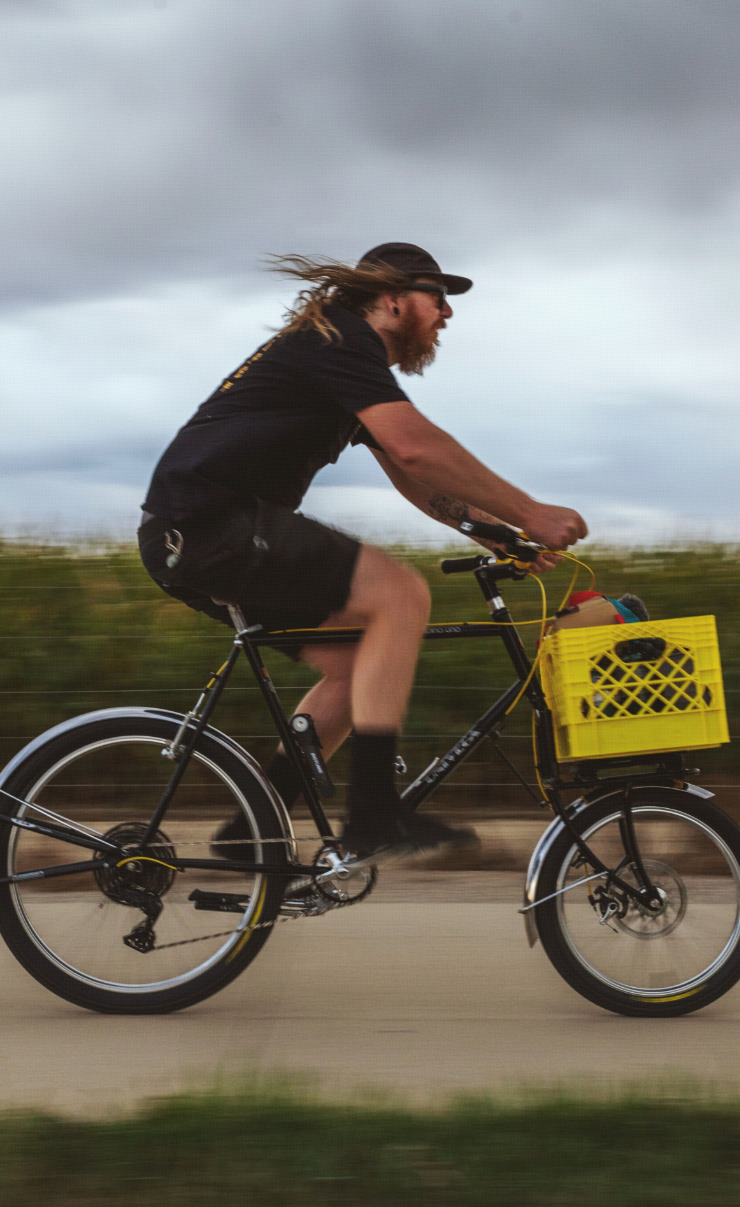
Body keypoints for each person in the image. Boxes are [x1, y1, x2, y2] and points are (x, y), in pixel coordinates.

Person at [138, 243, 588, 864]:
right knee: (402, 595)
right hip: (214, 524)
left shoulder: (337, 351)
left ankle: (250, 833)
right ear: (393, 298)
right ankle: (375, 812)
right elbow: (413, 446)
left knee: (358, 666)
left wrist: (490, 529)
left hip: (193, 536)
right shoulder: (340, 341)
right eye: (439, 298)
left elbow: (412, 476)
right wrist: (530, 511)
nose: (447, 315)